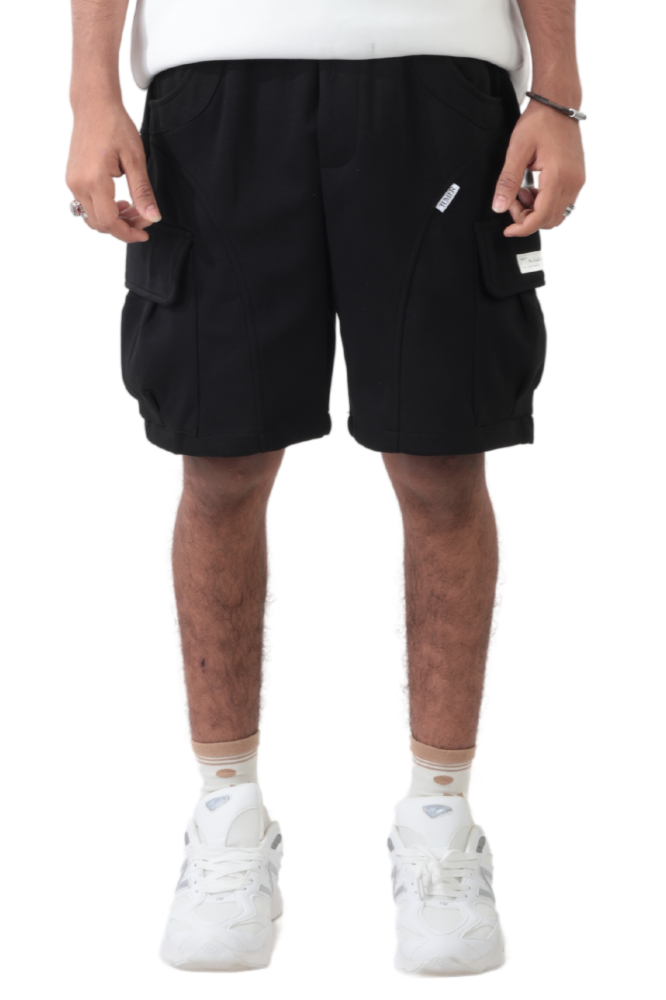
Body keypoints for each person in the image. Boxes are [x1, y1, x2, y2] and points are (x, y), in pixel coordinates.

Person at [66, 0, 585, 975]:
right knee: (219, 459)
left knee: (442, 459)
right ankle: (226, 818)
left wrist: (557, 92)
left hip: (439, 73)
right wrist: (91, 91)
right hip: (215, 76)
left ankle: (441, 823)